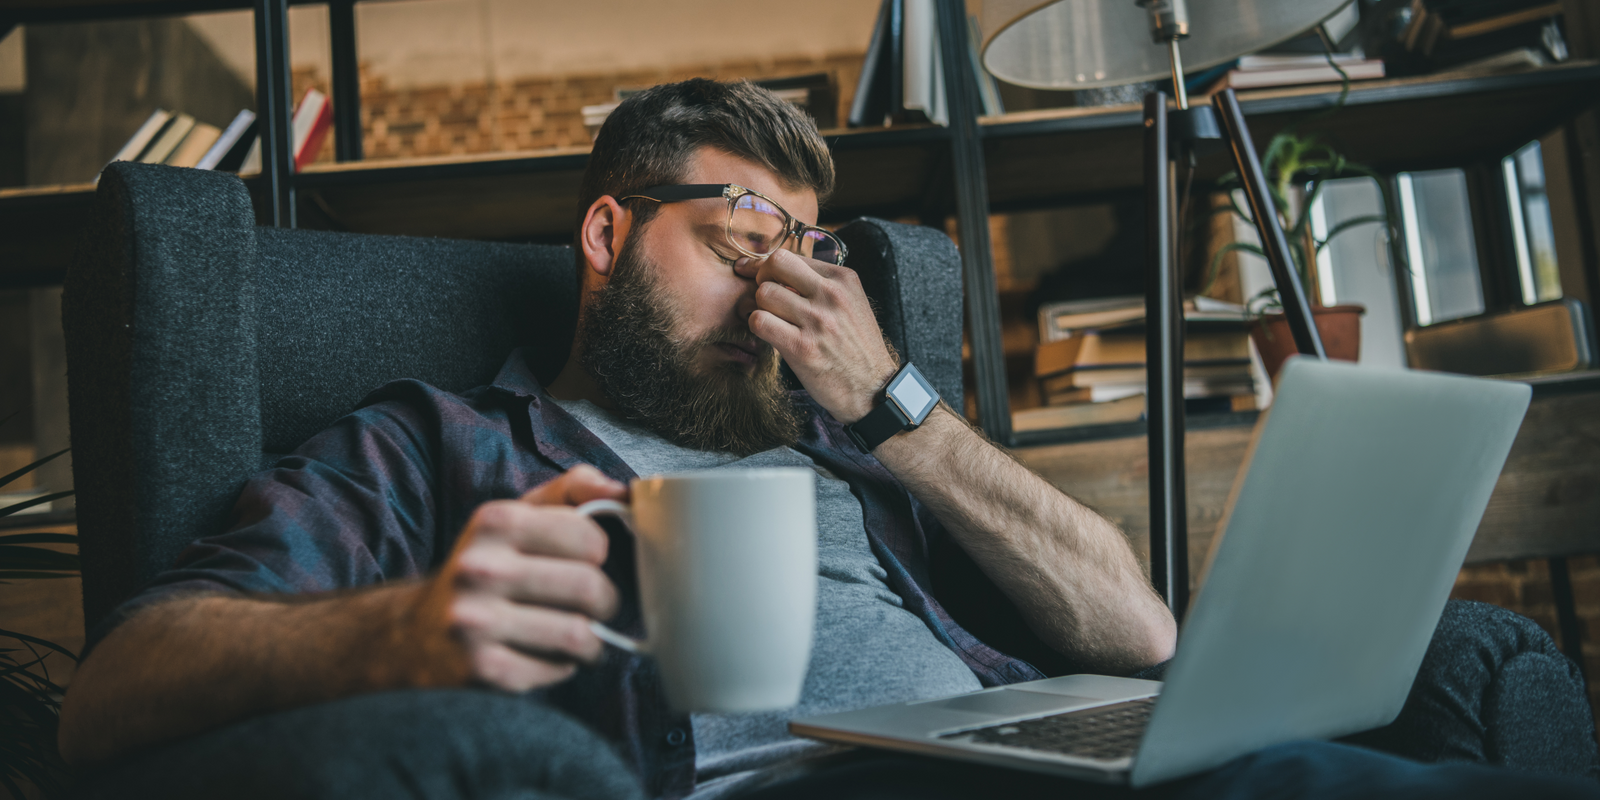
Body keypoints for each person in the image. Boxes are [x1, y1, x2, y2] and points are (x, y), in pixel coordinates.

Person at [59, 79, 1597, 800]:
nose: (785, 280)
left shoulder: (857, 446)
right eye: (740, 233)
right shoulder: (439, 447)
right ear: (608, 233)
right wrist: (397, 627)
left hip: (1045, 764)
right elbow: (115, 687)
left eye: (810, 247)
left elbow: (1136, 628)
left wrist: (898, 409)